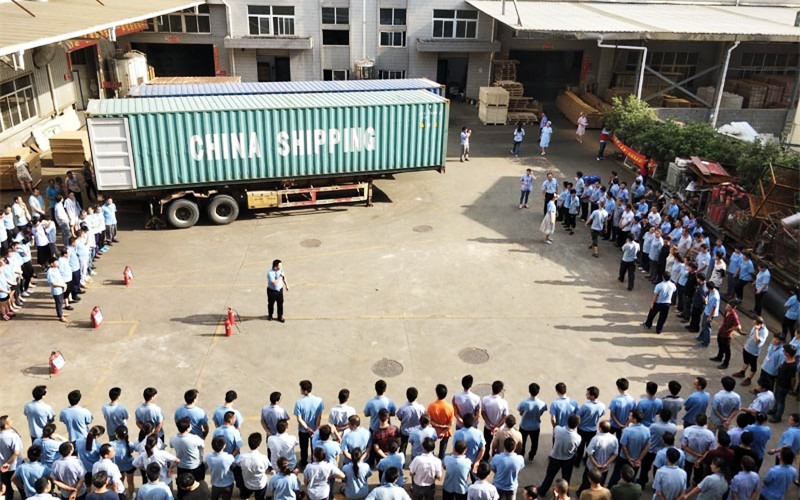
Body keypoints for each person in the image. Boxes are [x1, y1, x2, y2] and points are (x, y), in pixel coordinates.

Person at [538, 413, 581, 494]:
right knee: (566, 477)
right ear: (577, 425)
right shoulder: (578, 437)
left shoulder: (557, 429)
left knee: (549, 476)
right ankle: (565, 492)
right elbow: (575, 448)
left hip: (555, 457)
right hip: (568, 459)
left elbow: (555, 430)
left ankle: (542, 491)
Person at [608, 410, 649, 487]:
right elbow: (647, 446)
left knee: (616, 475)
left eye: (630, 416)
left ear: (634, 419)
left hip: (624, 458)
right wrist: (639, 459)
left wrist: (629, 458)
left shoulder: (627, 430)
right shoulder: (647, 430)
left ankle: (610, 490)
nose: (628, 417)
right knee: (631, 477)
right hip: (636, 459)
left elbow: (623, 446)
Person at [577, 421, 617, 496]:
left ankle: (582, 494)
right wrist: (606, 463)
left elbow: (589, 453)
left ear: (600, 428)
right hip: (604, 468)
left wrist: (596, 464)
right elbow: (615, 454)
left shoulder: (596, 439)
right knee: (600, 482)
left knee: (586, 482)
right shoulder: (614, 439)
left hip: (592, 467)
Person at [294, 380, 323, 467]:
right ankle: (313, 461)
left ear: (304, 391)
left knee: (303, 448)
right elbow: (319, 416)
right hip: (315, 429)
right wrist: (316, 428)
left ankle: (303, 462)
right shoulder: (319, 401)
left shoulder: (299, 402)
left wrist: (307, 429)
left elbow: (299, 419)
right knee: (314, 446)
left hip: (303, 430)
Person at [733, 316, 768, 387]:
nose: (753, 324)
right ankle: (742, 372)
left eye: (755, 323)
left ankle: (749, 379)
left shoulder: (764, 332)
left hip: (754, 351)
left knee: (753, 365)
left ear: (760, 324)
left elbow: (756, 340)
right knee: (746, 361)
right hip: (747, 347)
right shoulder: (755, 326)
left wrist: (756, 330)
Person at [681, 415, 716, 486]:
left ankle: (686, 485)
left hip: (689, 457)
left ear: (695, 421)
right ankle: (696, 483)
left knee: (687, 471)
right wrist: (701, 457)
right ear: (706, 423)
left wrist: (695, 454)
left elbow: (684, 446)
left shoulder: (688, 430)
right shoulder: (710, 434)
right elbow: (711, 450)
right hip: (701, 459)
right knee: (698, 473)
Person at [236, 433, 272, 500]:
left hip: (247, 484)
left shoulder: (242, 457)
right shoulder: (263, 458)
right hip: (260, 485)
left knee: (244, 496)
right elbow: (267, 469)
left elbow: (237, 466)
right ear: (259, 444)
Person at [517, 383, 547, 462]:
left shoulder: (524, 403)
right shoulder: (542, 404)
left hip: (524, 426)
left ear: (529, 391)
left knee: (522, 442)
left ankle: (521, 454)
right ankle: (531, 455)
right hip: (535, 426)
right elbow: (541, 413)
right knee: (534, 442)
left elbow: (520, 412)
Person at [710, 300, 742, 369]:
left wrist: (730, 329)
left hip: (727, 335)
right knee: (720, 345)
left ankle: (726, 363)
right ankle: (719, 357)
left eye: (729, 307)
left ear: (733, 308)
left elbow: (738, 326)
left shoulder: (734, 315)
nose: (727, 307)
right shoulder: (726, 311)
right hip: (721, 331)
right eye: (727, 306)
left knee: (727, 350)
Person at [171, 418, 205, 482]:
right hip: (195, 466)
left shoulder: (173, 438)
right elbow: (202, 446)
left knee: (182, 484)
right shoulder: (195, 438)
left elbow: (171, 445)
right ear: (188, 428)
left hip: (181, 466)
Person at [769, 344, 796, 423]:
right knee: (776, 397)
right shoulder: (787, 360)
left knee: (781, 401)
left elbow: (793, 379)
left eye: (785, 351)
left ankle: (778, 416)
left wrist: (792, 388)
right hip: (779, 382)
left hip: (784, 386)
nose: (783, 351)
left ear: (788, 353)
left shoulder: (792, 365)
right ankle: (774, 409)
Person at [427, 385, 453, 460]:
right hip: (446, 432)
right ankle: (440, 460)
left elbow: (428, 420)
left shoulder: (431, 406)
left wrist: (436, 425)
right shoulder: (449, 407)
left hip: (433, 431)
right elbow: (450, 423)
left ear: (436, 393)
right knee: (443, 449)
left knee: (431, 447)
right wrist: (444, 431)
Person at [481, 381, 509, 453]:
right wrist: (497, 426)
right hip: (500, 428)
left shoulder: (485, 399)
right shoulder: (503, 402)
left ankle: (485, 456)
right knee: (500, 445)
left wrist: (489, 423)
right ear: (501, 390)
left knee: (487, 443)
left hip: (488, 427)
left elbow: (482, 412)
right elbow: (505, 416)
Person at [397, 388, 425, 455]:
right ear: (416, 396)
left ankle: (402, 463)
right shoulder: (420, 408)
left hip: (405, 431)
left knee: (402, 447)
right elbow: (423, 417)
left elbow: (399, 416)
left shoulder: (403, 408)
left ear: (407, 395)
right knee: (416, 448)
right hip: (416, 431)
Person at [696, 281, 721, 348]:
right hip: (707, 310)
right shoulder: (712, 291)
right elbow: (708, 295)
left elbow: (714, 307)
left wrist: (710, 316)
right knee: (704, 325)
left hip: (710, 313)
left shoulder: (715, 297)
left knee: (707, 327)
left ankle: (705, 342)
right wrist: (706, 299)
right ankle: (701, 337)